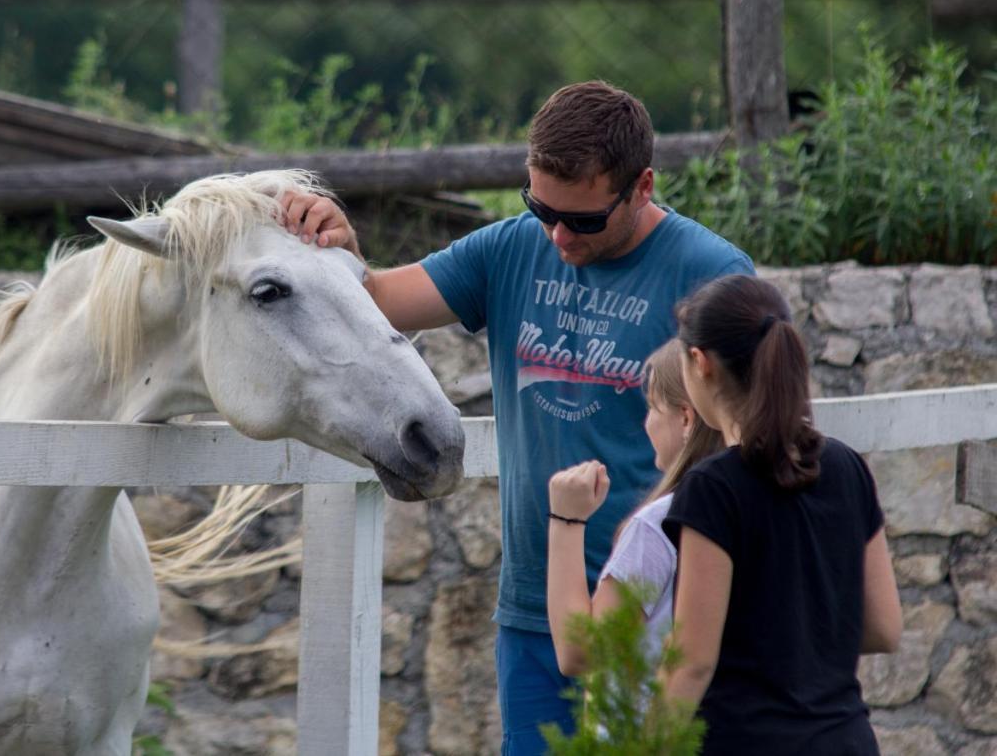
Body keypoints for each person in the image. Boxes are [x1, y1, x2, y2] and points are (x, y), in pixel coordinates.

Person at [280, 80, 754, 754]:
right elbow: (375, 302)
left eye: (583, 219)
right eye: (540, 208)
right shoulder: (507, 249)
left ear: (643, 185)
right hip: (537, 610)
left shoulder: (712, 274)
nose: (558, 235)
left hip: (662, 614)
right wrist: (339, 245)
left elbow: (751, 442)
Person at [659, 274, 902, 754]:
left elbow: (691, 664)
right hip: (845, 740)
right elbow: (883, 627)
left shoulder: (713, 489)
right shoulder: (846, 466)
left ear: (699, 364)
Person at [545, 338, 723, 678]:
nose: (647, 423)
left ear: (686, 419)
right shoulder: (759, 498)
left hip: (653, 724)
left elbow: (582, 653)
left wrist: (565, 520)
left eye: (653, 407)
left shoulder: (658, 525)